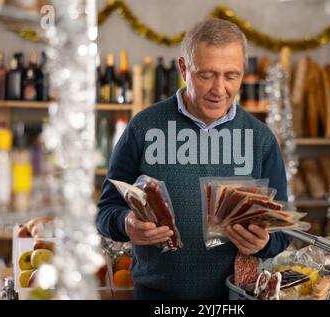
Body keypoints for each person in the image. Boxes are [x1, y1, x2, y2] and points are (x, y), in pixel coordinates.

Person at [96, 18, 291, 300]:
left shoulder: (260, 139)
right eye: (207, 74)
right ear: (184, 68)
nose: (219, 89)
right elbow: (106, 211)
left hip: (235, 298)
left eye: (231, 75)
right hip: (156, 297)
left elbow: (282, 233)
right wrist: (127, 223)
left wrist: (264, 242)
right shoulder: (143, 128)